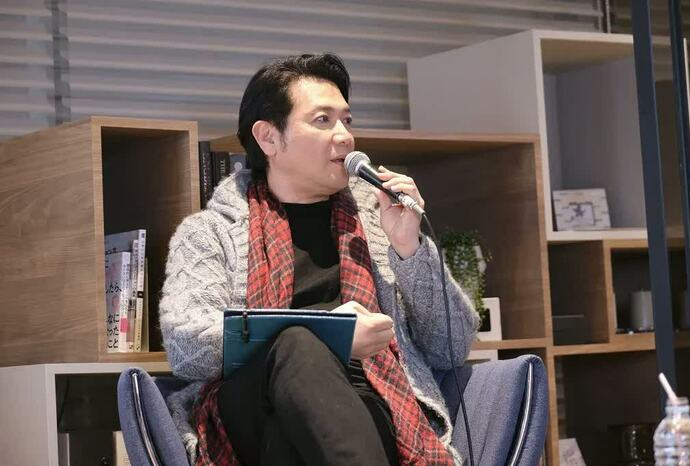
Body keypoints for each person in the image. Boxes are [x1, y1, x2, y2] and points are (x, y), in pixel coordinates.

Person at [159, 52, 480, 466]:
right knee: (296, 345)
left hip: (371, 401)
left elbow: (450, 348)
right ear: (268, 138)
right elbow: (186, 348)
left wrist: (410, 249)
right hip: (250, 407)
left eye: (347, 120)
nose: (345, 136)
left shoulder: (380, 221)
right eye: (323, 120)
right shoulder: (209, 233)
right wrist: (332, 334)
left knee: (292, 441)